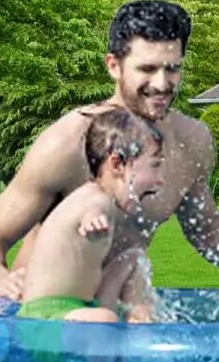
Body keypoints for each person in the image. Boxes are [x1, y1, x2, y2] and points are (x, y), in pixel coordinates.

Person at [0, 0, 219, 313]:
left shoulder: (191, 142)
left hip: (113, 310)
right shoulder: (67, 144)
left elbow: (207, 231)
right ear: (113, 65)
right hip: (45, 314)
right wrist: (0, 280)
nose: (162, 83)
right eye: (147, 69)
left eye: (172, 68)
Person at [16, 108, 165, 324]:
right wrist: (92, 219)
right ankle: (135, 336)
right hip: (44, 317)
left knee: (132, 259)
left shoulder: (102, 197)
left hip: (81, 307)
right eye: (154, 165)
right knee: (105, 318)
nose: (160, 180)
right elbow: (91, 209)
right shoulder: (95, 199)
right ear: (117, 164)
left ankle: (140, 322)